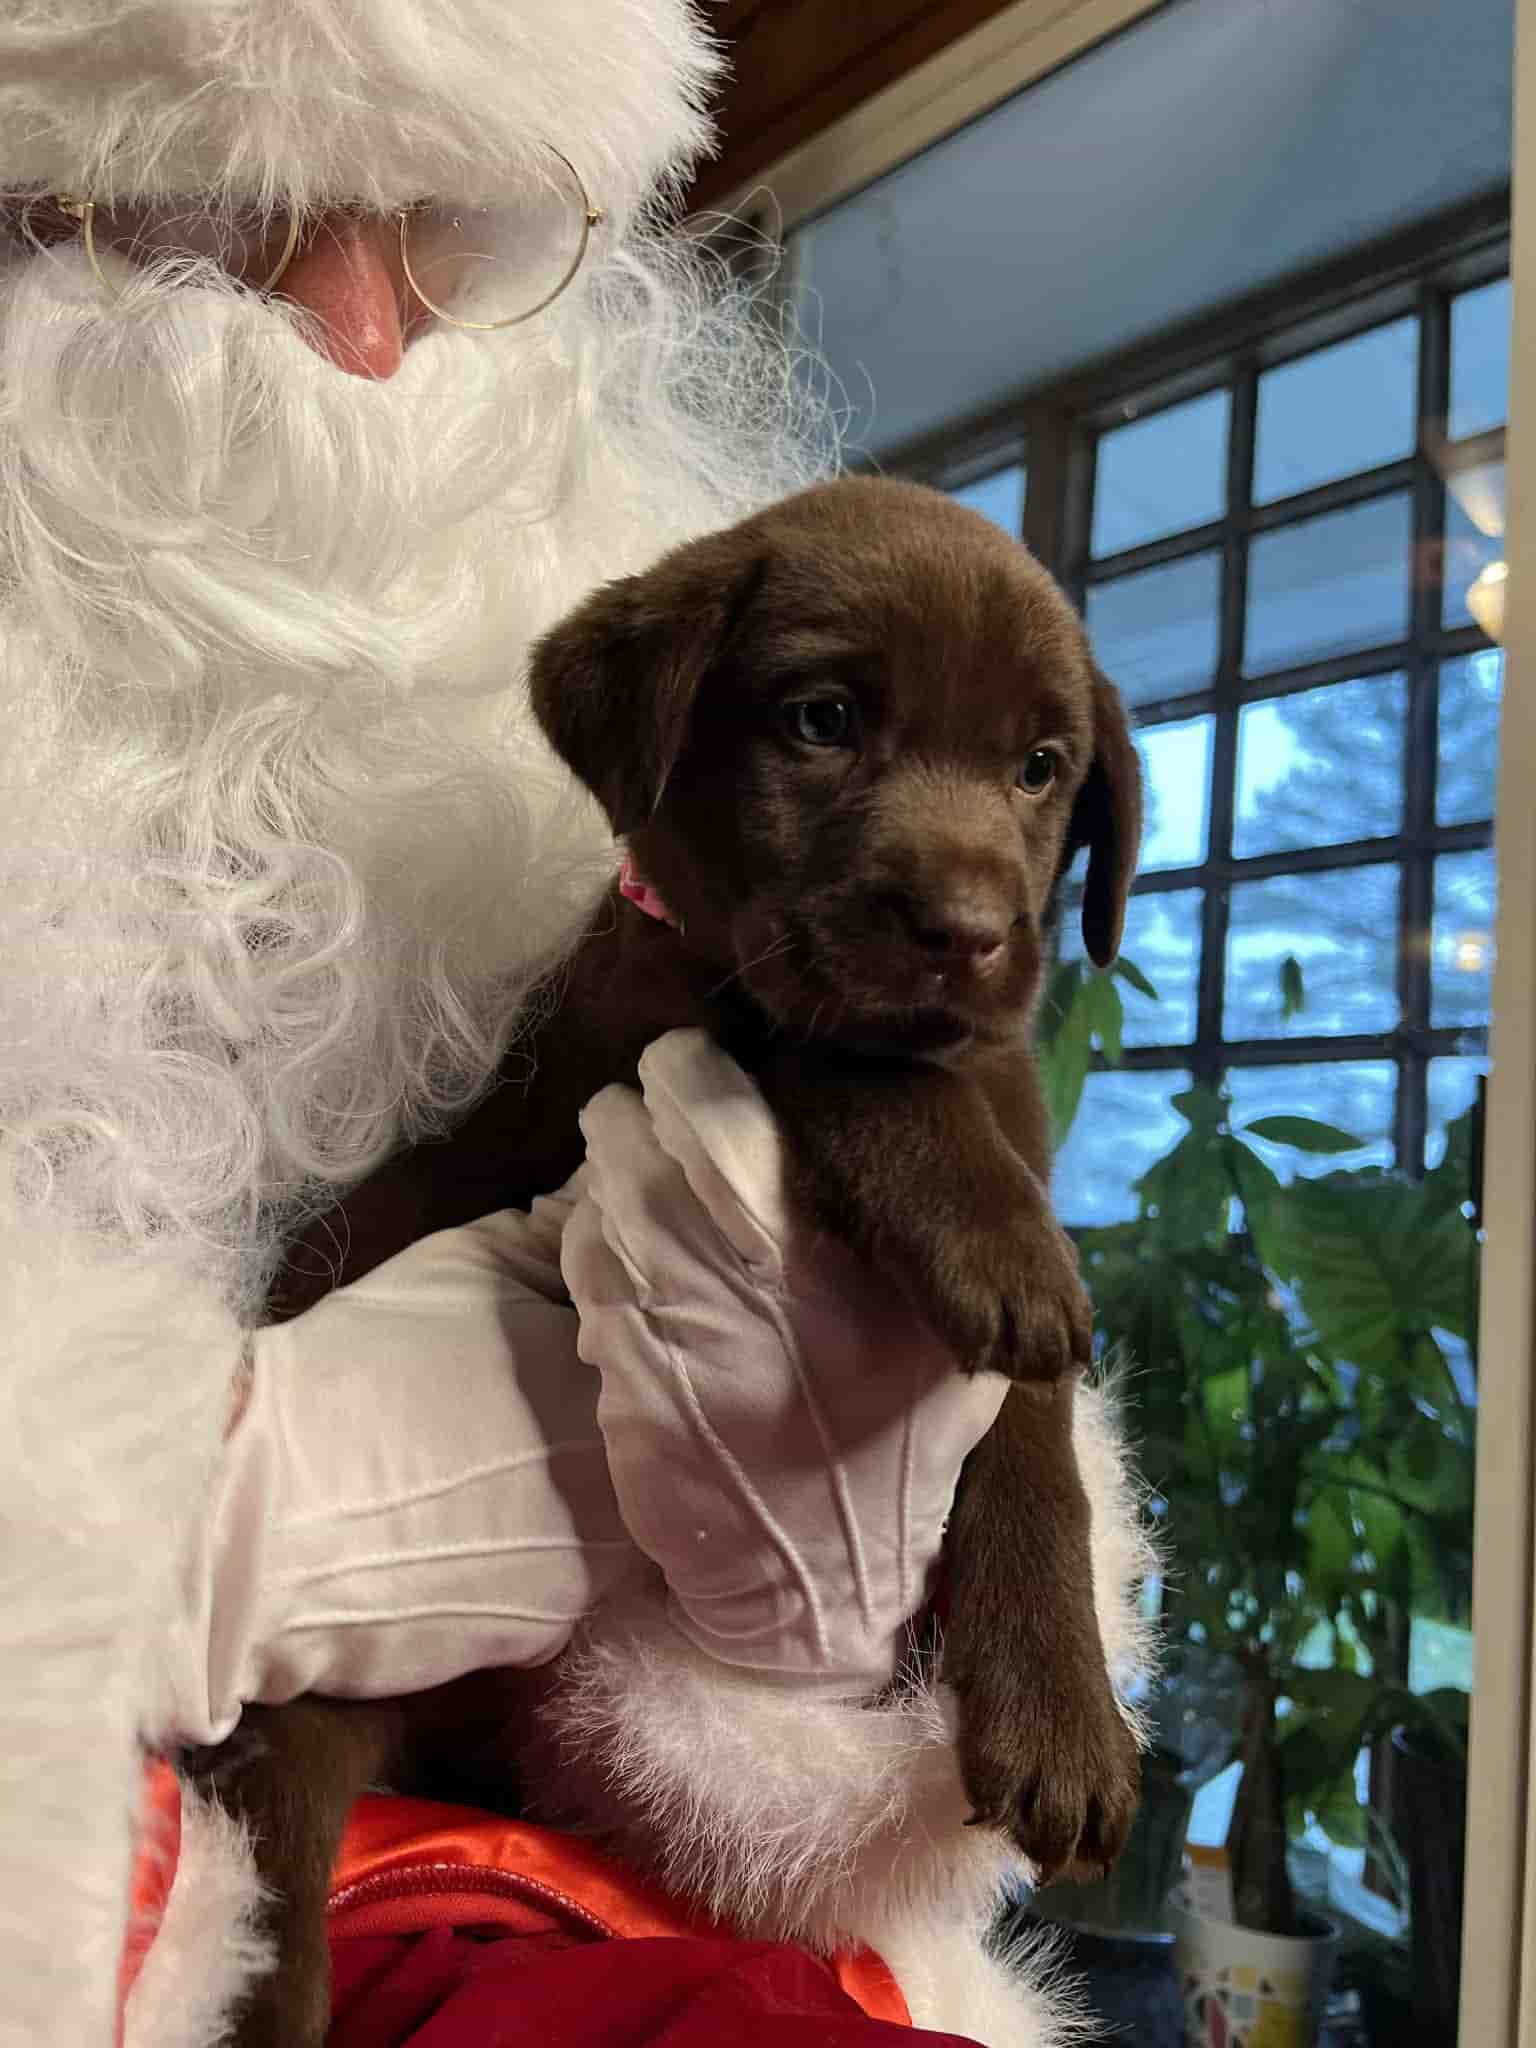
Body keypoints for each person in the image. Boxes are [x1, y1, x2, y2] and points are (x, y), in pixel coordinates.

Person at [0, 4, 1153, 2045]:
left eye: (453, 226)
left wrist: (843, 1644)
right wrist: (231, 1504)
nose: (365, 340)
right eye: (207, 212)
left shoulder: (690, 701)